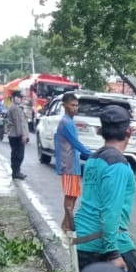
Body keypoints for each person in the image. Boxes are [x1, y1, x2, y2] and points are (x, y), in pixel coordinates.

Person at [72, 104, 136, 272]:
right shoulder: (118, 165)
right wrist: (113, 253)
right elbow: (110, 212)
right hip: (105, 244)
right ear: (128, 132)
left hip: (83, 243)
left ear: (101, 131)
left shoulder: (93, 159)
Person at [54, 92, 94, 232]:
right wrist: (92, 155)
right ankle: (67, 225)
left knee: (74, 195)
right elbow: (75, 143)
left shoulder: (70, 122)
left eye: (76, 105)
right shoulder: (65, 122)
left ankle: (66, 224)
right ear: (64, 105)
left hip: (74, 164)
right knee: (70, 196)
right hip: (69, 164)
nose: (75, 108)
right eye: (72, 105)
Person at [5, 91, 30, 180]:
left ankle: (16, 172)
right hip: (16, 135)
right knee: (18, 155)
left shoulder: (15, 107)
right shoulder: (15, 108)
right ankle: (16, 172)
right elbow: (18, 123)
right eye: (19, 97)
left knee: (16, 154)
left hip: (14, 134)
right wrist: (23, 135)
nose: (20, 99)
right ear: (14, 97)